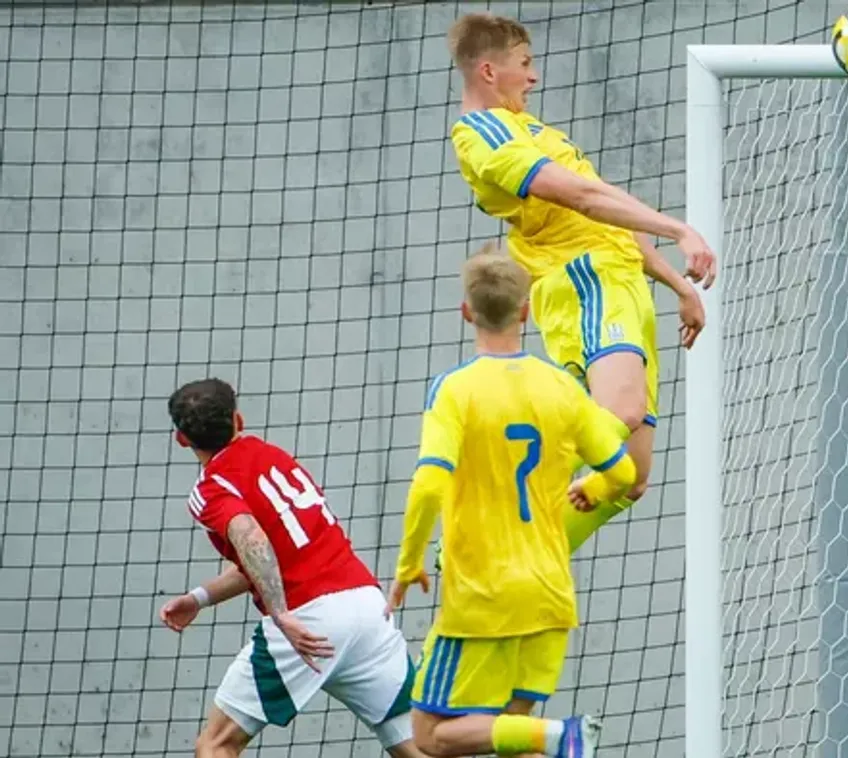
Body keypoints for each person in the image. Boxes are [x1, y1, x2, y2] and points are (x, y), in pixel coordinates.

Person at [445, 11, 716, 551]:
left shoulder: (533, 130)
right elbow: (582, 198)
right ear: (489, 71)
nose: (534, 76)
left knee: (628, 478)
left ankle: (520, 560)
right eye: (525, 64)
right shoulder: (483, 135)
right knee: (620, 412)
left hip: (620, 280)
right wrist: (677, 228)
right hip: (585, 281)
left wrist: (678, 284)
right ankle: (485, 520)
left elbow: (603, 213)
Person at [386, 248, 637, 758]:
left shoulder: (455, 390)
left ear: (466, 311)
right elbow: (624, 473)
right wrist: (591, 489)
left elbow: (429, 484)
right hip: (549, 595)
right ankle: (554, 738)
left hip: (482, 598)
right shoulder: (561, 387)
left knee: (429, 735)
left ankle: (558, 734)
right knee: (511, 735)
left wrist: (409, 563)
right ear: (526, 312)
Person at [160, 378, 424, 758]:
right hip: (367, 607)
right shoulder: (274, 457)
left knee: (215, 744)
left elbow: (252, 539)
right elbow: (269, 556)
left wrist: (281, 614)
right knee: (417, 747)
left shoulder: (211, 489)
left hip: (308, 618)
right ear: (238, 420)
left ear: (181, 439)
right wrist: (199, 598)